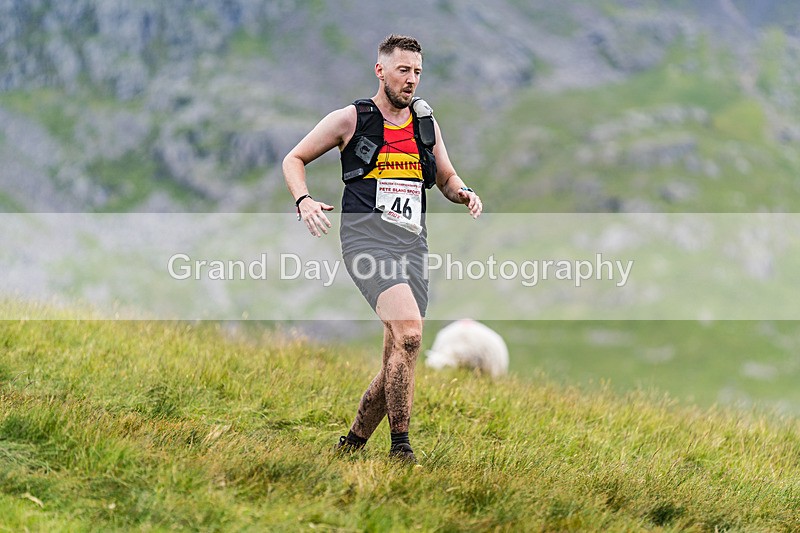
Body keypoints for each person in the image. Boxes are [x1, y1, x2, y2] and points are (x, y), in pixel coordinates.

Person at [282, 34, 482, 463]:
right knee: (411, 335)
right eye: (403, 71)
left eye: (417, 73)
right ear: (381, 70)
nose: (411, 81)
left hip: (412, 247)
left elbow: (446, 177)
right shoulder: (351, 119)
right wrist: (304, 200)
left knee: (399, 352)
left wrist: (463, 192)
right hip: (366, 241)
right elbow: (293, 159)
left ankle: (351, 444)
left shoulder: (425, 123)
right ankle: (401, 449)